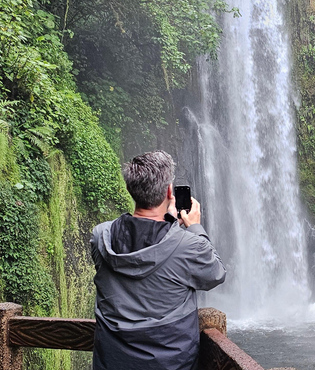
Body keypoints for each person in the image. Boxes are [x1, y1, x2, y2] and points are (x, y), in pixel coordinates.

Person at [90, 150, 226, 370]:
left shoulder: (100, 236)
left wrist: (169, 223)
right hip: (171, 364)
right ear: (169, 191)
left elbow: (141, 248)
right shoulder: (189, 245)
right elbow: (216, 273)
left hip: (112, 362)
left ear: (130, 189)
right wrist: (195, 228)